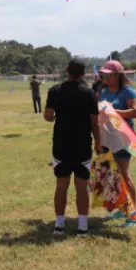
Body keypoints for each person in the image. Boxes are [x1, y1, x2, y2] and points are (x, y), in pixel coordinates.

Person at [44, 58, 102, 236]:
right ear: (83, 74)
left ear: (66, 69)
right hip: (82, 144)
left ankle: (59, 225)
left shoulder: (55, 91)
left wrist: (56, 117)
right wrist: (98, 142)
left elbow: (48, 116)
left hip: (61, 144)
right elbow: (94, 122)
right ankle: (83, 227)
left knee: (61, 185)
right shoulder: (89, 93)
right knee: (81, 186)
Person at [98, 60, 136, 227]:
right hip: (107, 138)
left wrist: (113, 111)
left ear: (118, 75)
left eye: (108, 75)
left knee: (124, 174)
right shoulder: (103, 91)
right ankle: (124, 207)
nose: (105, 77)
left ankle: (135, 214)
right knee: (113, 176)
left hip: (123, 138)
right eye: (104, 75)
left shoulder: (128, 91)